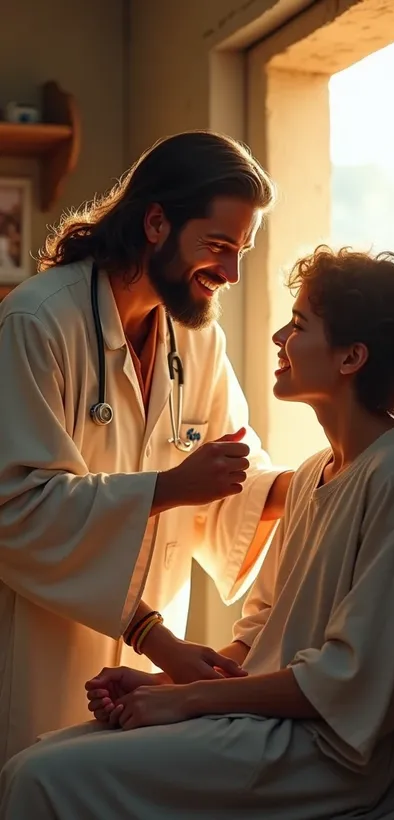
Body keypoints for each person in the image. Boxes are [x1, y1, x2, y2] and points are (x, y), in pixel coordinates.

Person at [0, 247, 394, 820]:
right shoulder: (314, 474)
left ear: (352, 357)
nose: (278, 337)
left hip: (338, 759)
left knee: (47, 781)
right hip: (273, 728)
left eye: (297, 326)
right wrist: (164, 685)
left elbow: (348, 684)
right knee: (34, 763)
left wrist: (189, 700)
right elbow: (259, 637)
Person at [0, 131, 293, 767]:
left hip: (143, 674)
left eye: (241, 252)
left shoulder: (199, 341)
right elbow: (15, 511)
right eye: (218, 247)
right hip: (43, 653)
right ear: (156, 222)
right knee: (34, 782)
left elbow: (230, 470)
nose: (231, 273)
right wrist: (167, 490)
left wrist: (314, 488)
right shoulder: (36, 322)